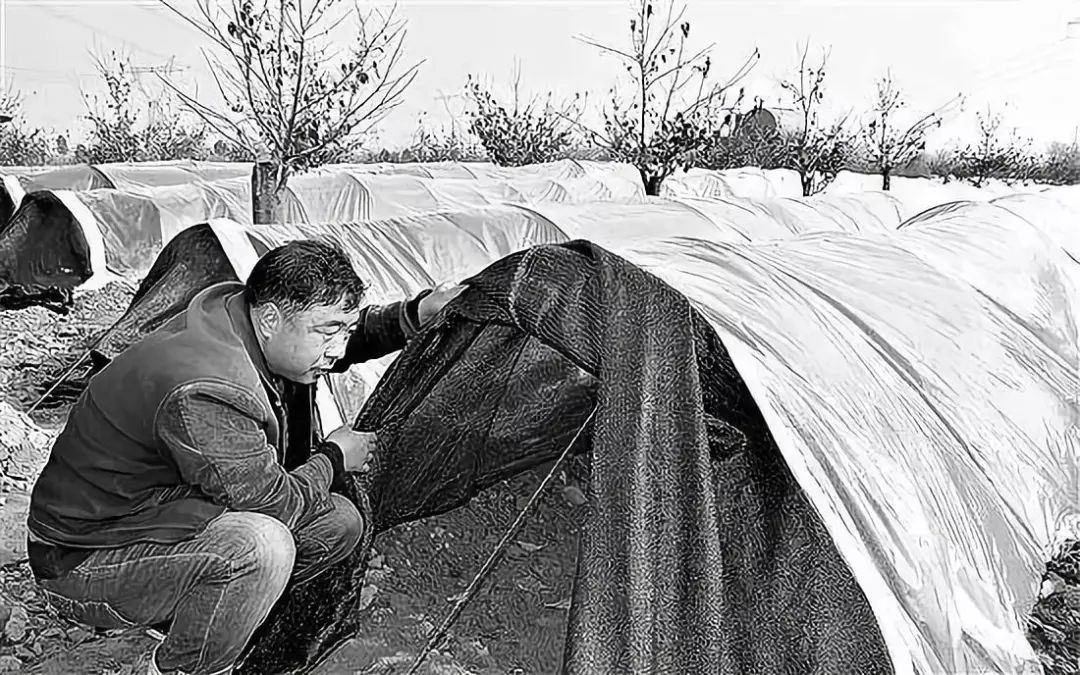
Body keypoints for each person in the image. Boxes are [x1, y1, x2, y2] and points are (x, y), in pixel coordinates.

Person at [25, 239, 465, 675]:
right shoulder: (207, 388)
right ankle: (180, 668)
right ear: (270, 319)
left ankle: (204, 615)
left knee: (339, 522)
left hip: (154, 517)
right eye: (329, 332)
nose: (337, 349)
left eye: (343, 331)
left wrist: (414, 315)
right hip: (81, 561)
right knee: (262, 547)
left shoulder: (245, 318)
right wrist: (333, 456)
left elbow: (335, 333)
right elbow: (275, 506)